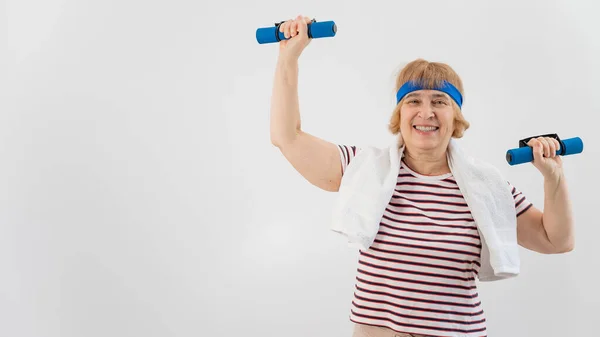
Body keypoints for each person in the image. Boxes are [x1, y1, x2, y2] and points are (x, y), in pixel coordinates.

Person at [269, 15, 575, 337]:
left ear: (455, 117)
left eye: (439, 101)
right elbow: (286, 136)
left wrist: (553, 178)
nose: (425, 112)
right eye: (413, 100)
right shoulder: (363, 169)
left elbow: (556, 240)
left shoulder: (488, 187)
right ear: (399, 115)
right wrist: (289, 57)